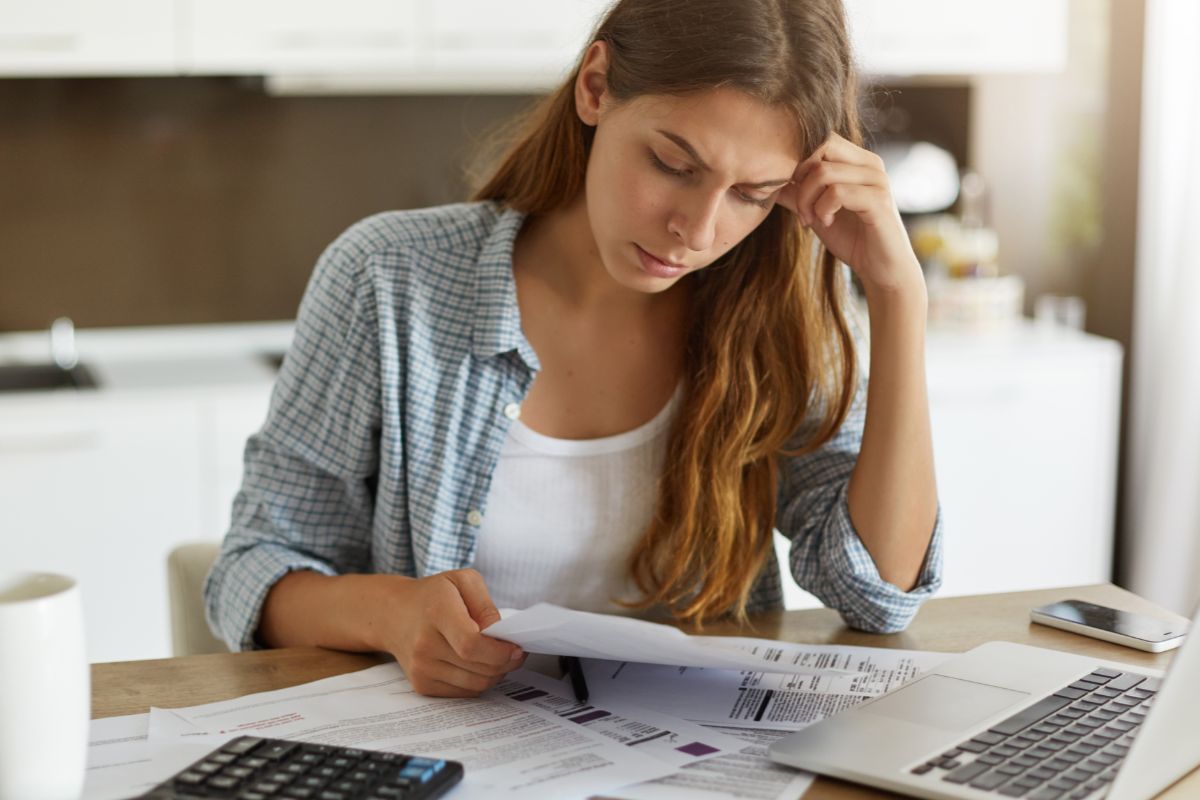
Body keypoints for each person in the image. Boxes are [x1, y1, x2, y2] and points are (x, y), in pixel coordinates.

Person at [205, 0, 944, 698]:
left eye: (752, 194)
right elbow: (252, 570)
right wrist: (393, 614)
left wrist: (897, 295)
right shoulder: (389, 280)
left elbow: (876, 593)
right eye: (673, 165)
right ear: (596, 88)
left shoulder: (782, 315)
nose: (698, 228)